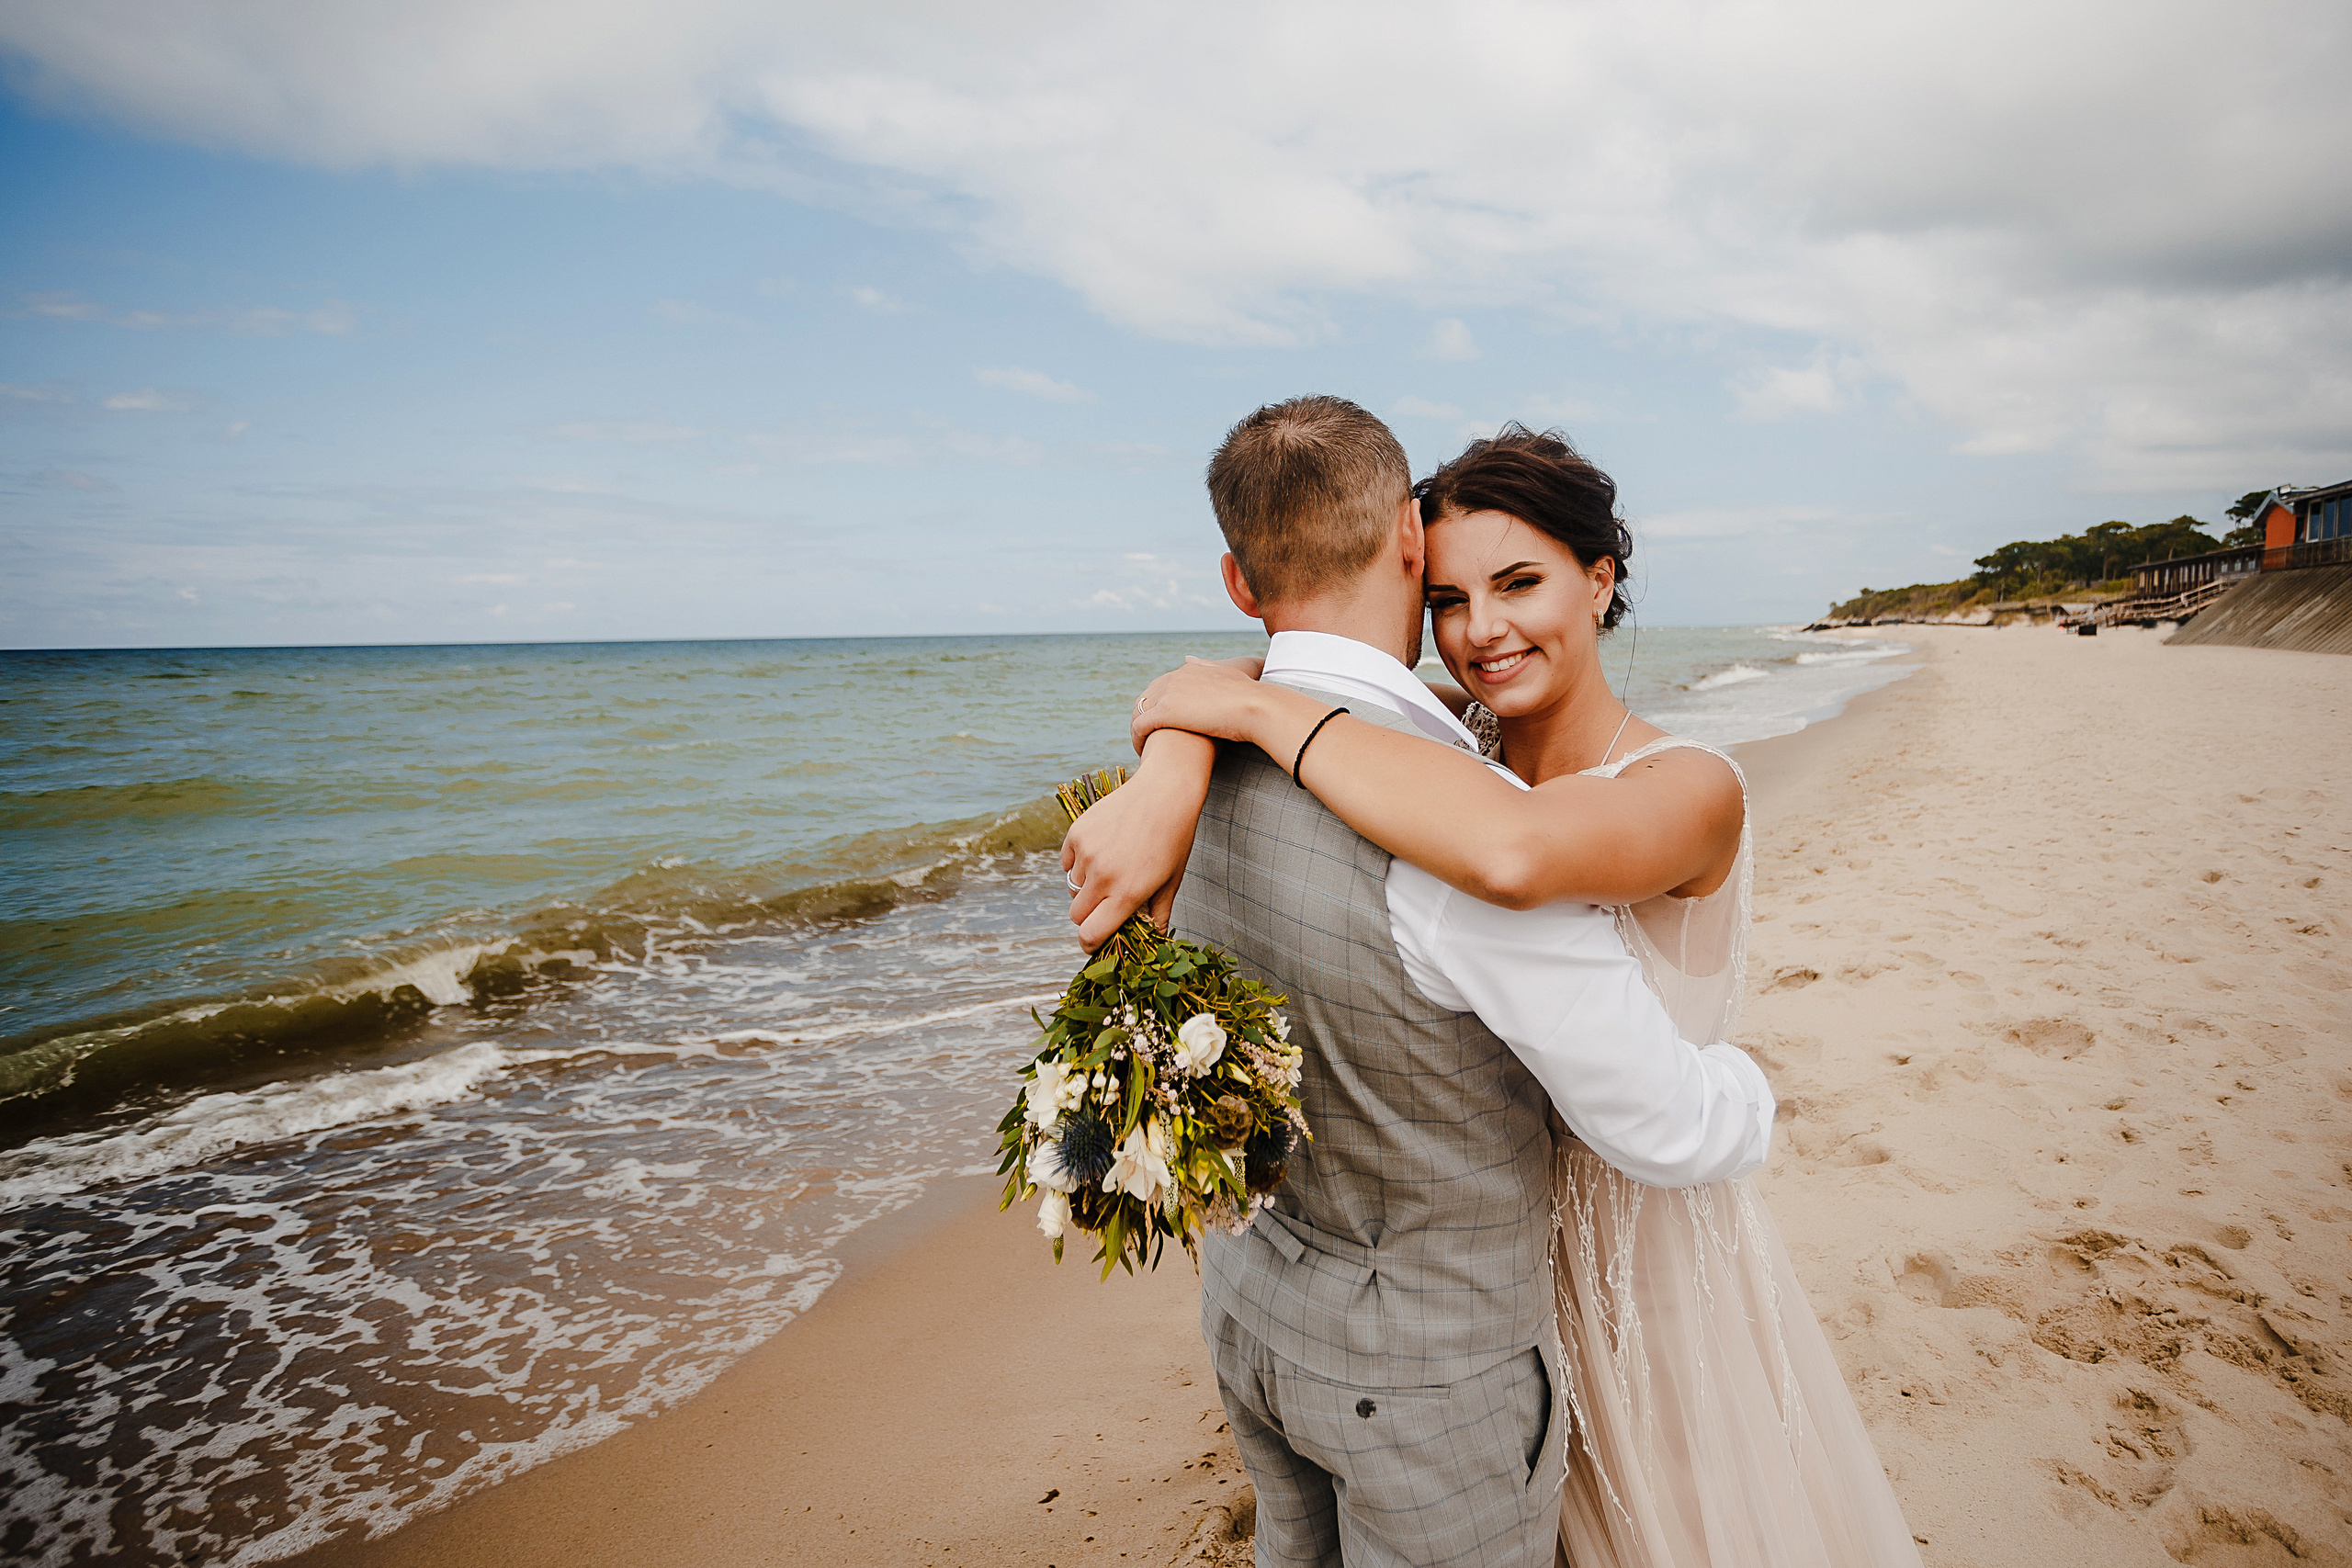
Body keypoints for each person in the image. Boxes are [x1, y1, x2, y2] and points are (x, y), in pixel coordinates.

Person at [1065, 419, 1925, 1566]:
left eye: (1519, 584)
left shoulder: (1687, 785)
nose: (1479, 633)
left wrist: (1245, 718)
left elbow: (1507, 848)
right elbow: (1230, 675)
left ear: (1600, 576)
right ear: (1411, 564)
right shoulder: (1448, 746)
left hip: (1628, 1229)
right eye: (1453, 601)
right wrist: (1180, 752)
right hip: (1471, 1240)